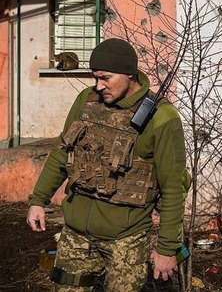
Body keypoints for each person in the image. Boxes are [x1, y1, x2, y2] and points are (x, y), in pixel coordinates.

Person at [26, 38, 188, 291]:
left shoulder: (162, 117)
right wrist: (38, 200)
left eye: (106, 78)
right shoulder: (86, 101)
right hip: (76, 234)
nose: (99, 86)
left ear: (129, 74)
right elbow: (62, 151)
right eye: (95, 78)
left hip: (126, 238)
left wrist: (167, 249)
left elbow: (173, 188)